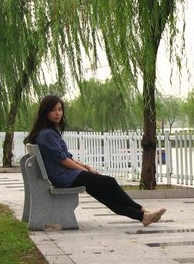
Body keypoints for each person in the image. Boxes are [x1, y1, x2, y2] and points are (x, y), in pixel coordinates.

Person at [24, 94, 166, 226]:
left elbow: (67, 157)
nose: (58, 113)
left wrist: (86, 167)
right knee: (109, 183)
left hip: (65, 175)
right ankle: (143, 211)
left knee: (104, 194)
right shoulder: (47, 134)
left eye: (60, 109)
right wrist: (85, 171)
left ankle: (142, 216)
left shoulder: (49, 132)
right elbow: (64, 161)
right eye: (53, 110)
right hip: (64, 178)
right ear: (45, 112)